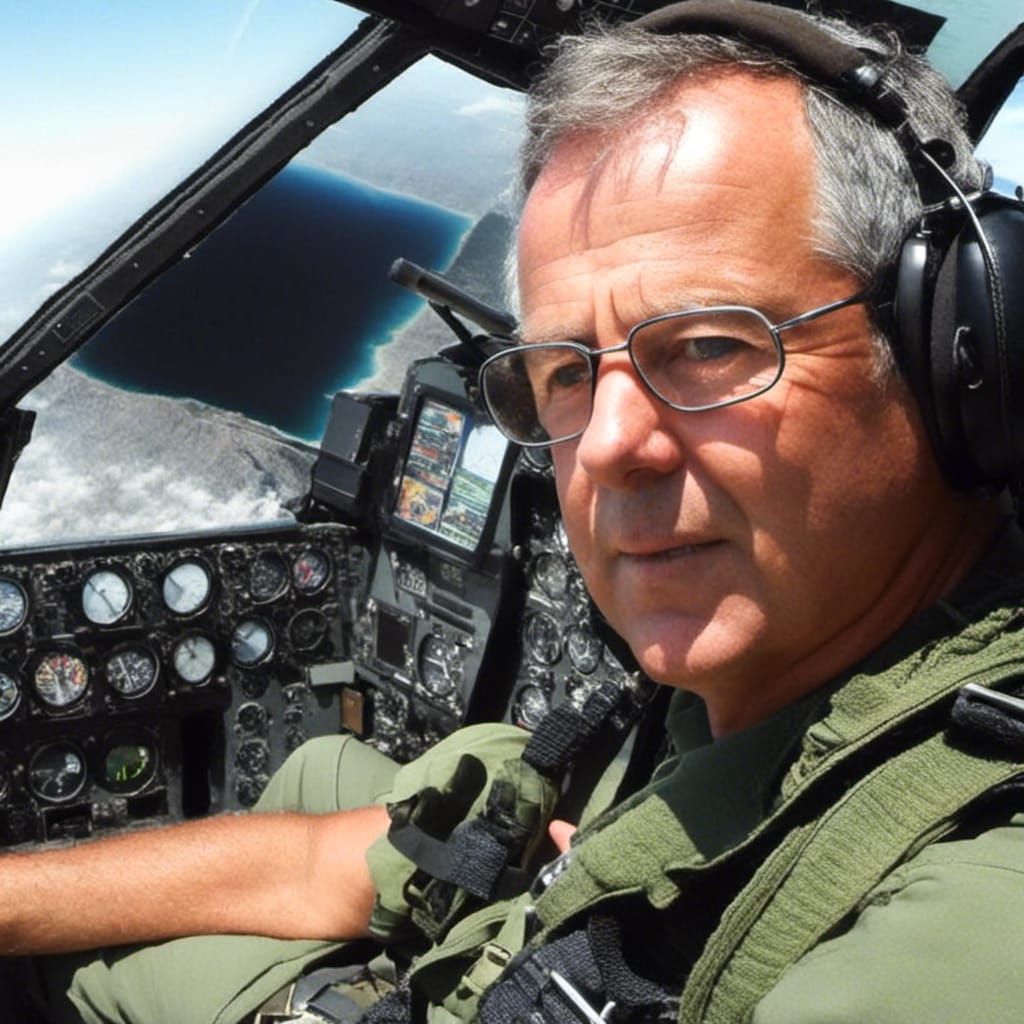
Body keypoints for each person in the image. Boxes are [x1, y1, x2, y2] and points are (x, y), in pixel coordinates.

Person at [4, 3, 1024, 1021]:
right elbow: (332, 859)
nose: (611, 446)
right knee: (320, 763)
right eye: (565, 371)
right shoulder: (761, 671)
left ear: (959, 348)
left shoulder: (975, 900)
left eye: (711, 343)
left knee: (81, 973)